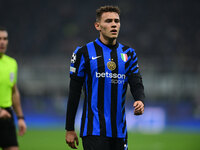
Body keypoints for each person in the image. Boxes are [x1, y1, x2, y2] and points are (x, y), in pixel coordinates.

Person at [65, 5, 145, 150]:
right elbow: (74, 92)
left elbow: (136, 81)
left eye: (117, 21)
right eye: (108, 21)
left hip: (119, 131)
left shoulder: (129, 54)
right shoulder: (83, 53)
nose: (114, 24)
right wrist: (69, 128)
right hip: (93, 130)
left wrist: (140, 99)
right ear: (98, 26)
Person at [0, 26, 27, 150]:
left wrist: (20, 117)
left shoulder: (12, 63)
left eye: (5, 38)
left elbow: (14, 91)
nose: (2, 42)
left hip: (7, 116)